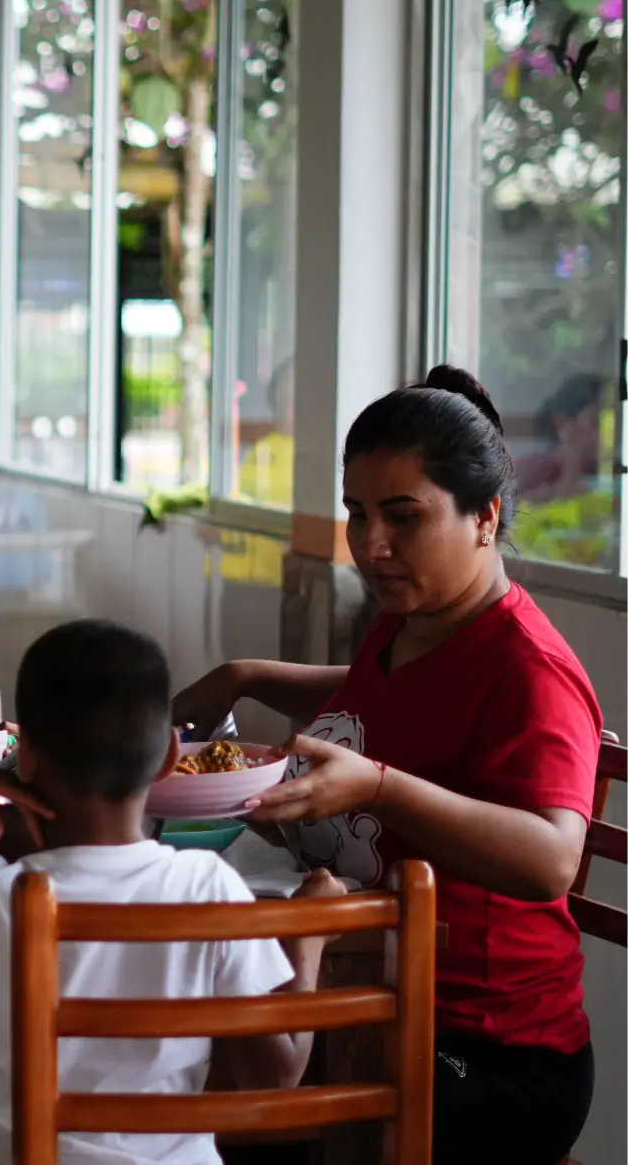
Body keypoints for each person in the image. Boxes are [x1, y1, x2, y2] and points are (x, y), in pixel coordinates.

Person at [175, 365, 600, 1165]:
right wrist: (247, 676)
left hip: (488, 1049)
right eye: (357, 514)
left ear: (484, 518)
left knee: (217, 1088)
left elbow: (552, 859)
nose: (371, 546)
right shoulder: (415, 619)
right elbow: (377, 696)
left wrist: (375, 786)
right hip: (375, 981)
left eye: (404, 517)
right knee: (190, 1039)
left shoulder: (529, 672)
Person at [0, 618, 344, 1165]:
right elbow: (276, 1076)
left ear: (24, 754)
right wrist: (309, 936)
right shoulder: (209, 888)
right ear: (171, 757)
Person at [513, 372, 606, 505]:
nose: (605, 435)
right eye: (596, 422)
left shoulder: (611, 473)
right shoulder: (532, 470)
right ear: (562, 423)